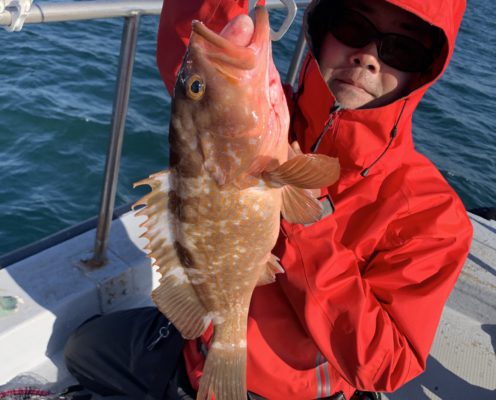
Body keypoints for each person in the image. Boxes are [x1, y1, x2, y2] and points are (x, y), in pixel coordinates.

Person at [64, 0, 473, 399]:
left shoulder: (434, 216)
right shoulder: (263, 108)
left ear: (422, 72)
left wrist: (310, 230)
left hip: (282, 391)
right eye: (353, 27)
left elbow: (387, 363)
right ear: (323, 29)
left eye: (402, 49)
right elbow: (198, 43)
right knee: (79, 350)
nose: (367, 58)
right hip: (193, 347)